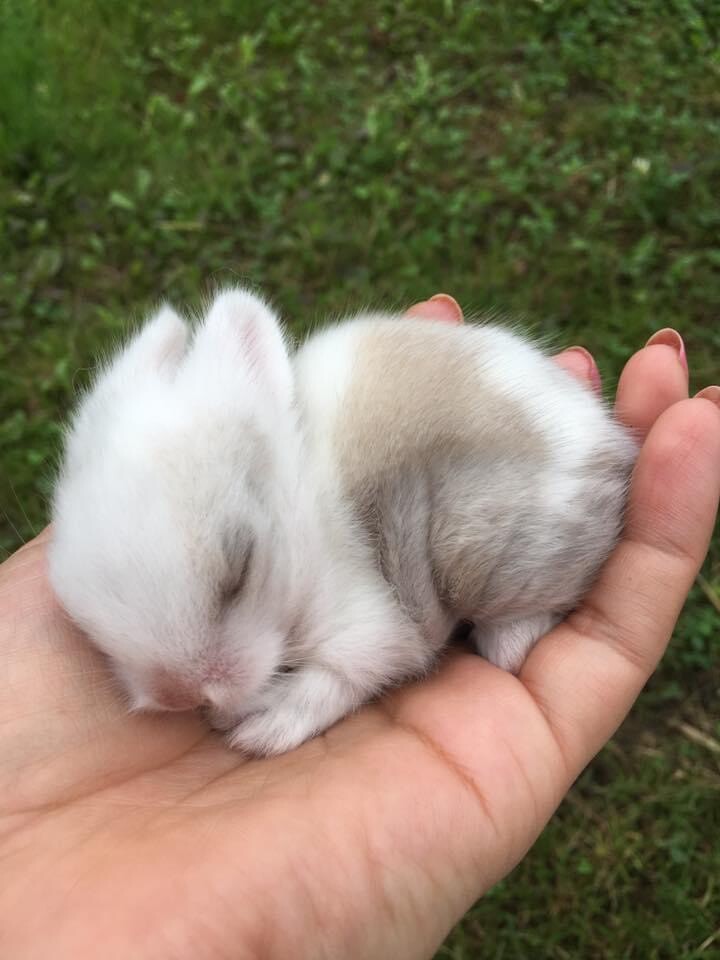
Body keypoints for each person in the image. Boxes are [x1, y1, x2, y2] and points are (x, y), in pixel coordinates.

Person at [1, 295, 718, 959]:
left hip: (538, 487)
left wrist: (305, 701)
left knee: (476, 565)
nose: (177, 690)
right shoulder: (214, 501)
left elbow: (385, 637)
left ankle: (533, 600)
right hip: (481, 434)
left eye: (235, 582)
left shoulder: (314, 530)